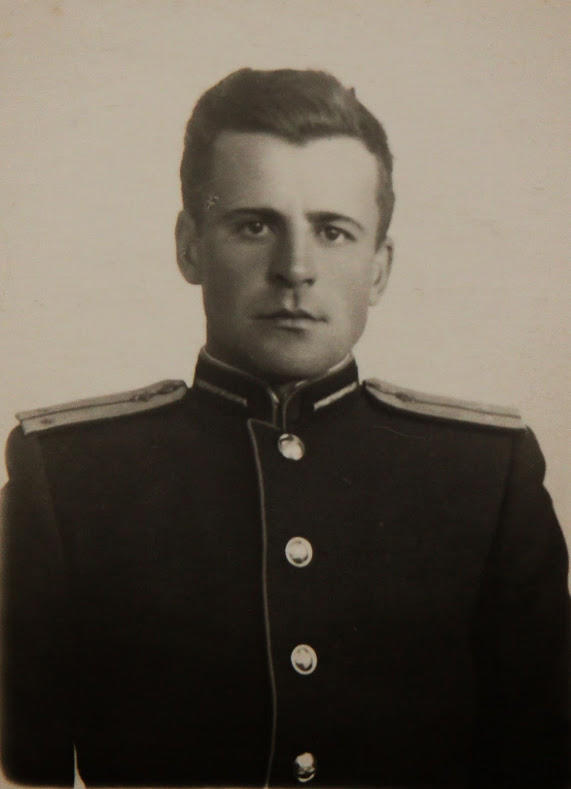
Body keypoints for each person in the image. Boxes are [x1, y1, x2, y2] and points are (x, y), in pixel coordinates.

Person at [1, 68, 568, 789]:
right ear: (189, 247)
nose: (294, 269)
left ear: (379, 267)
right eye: (254, 225)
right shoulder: (69, 477)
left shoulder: (486, 475)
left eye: (333, 231)